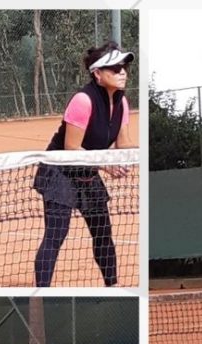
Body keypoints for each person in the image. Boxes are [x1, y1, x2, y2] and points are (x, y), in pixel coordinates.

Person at [33, 41, 137, 287]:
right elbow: (72, 148)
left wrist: (138, 155)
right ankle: (42, 292)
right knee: (56, 235)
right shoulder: (83, 100)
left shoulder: (121, 102)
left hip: (88, 171)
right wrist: (106, 165)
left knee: (103, 234)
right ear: (97, 74)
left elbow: (123, 142)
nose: (122, 72)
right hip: (60, 172)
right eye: (115, 68)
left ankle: (113, 287)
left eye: (124, 67)